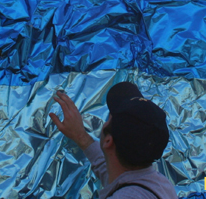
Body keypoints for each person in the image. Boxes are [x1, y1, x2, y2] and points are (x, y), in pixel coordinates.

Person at [49, 81, 178, 199]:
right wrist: (80, 136)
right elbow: (112, 174)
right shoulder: (160, 185)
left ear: (108, 141)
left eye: (110, 117)